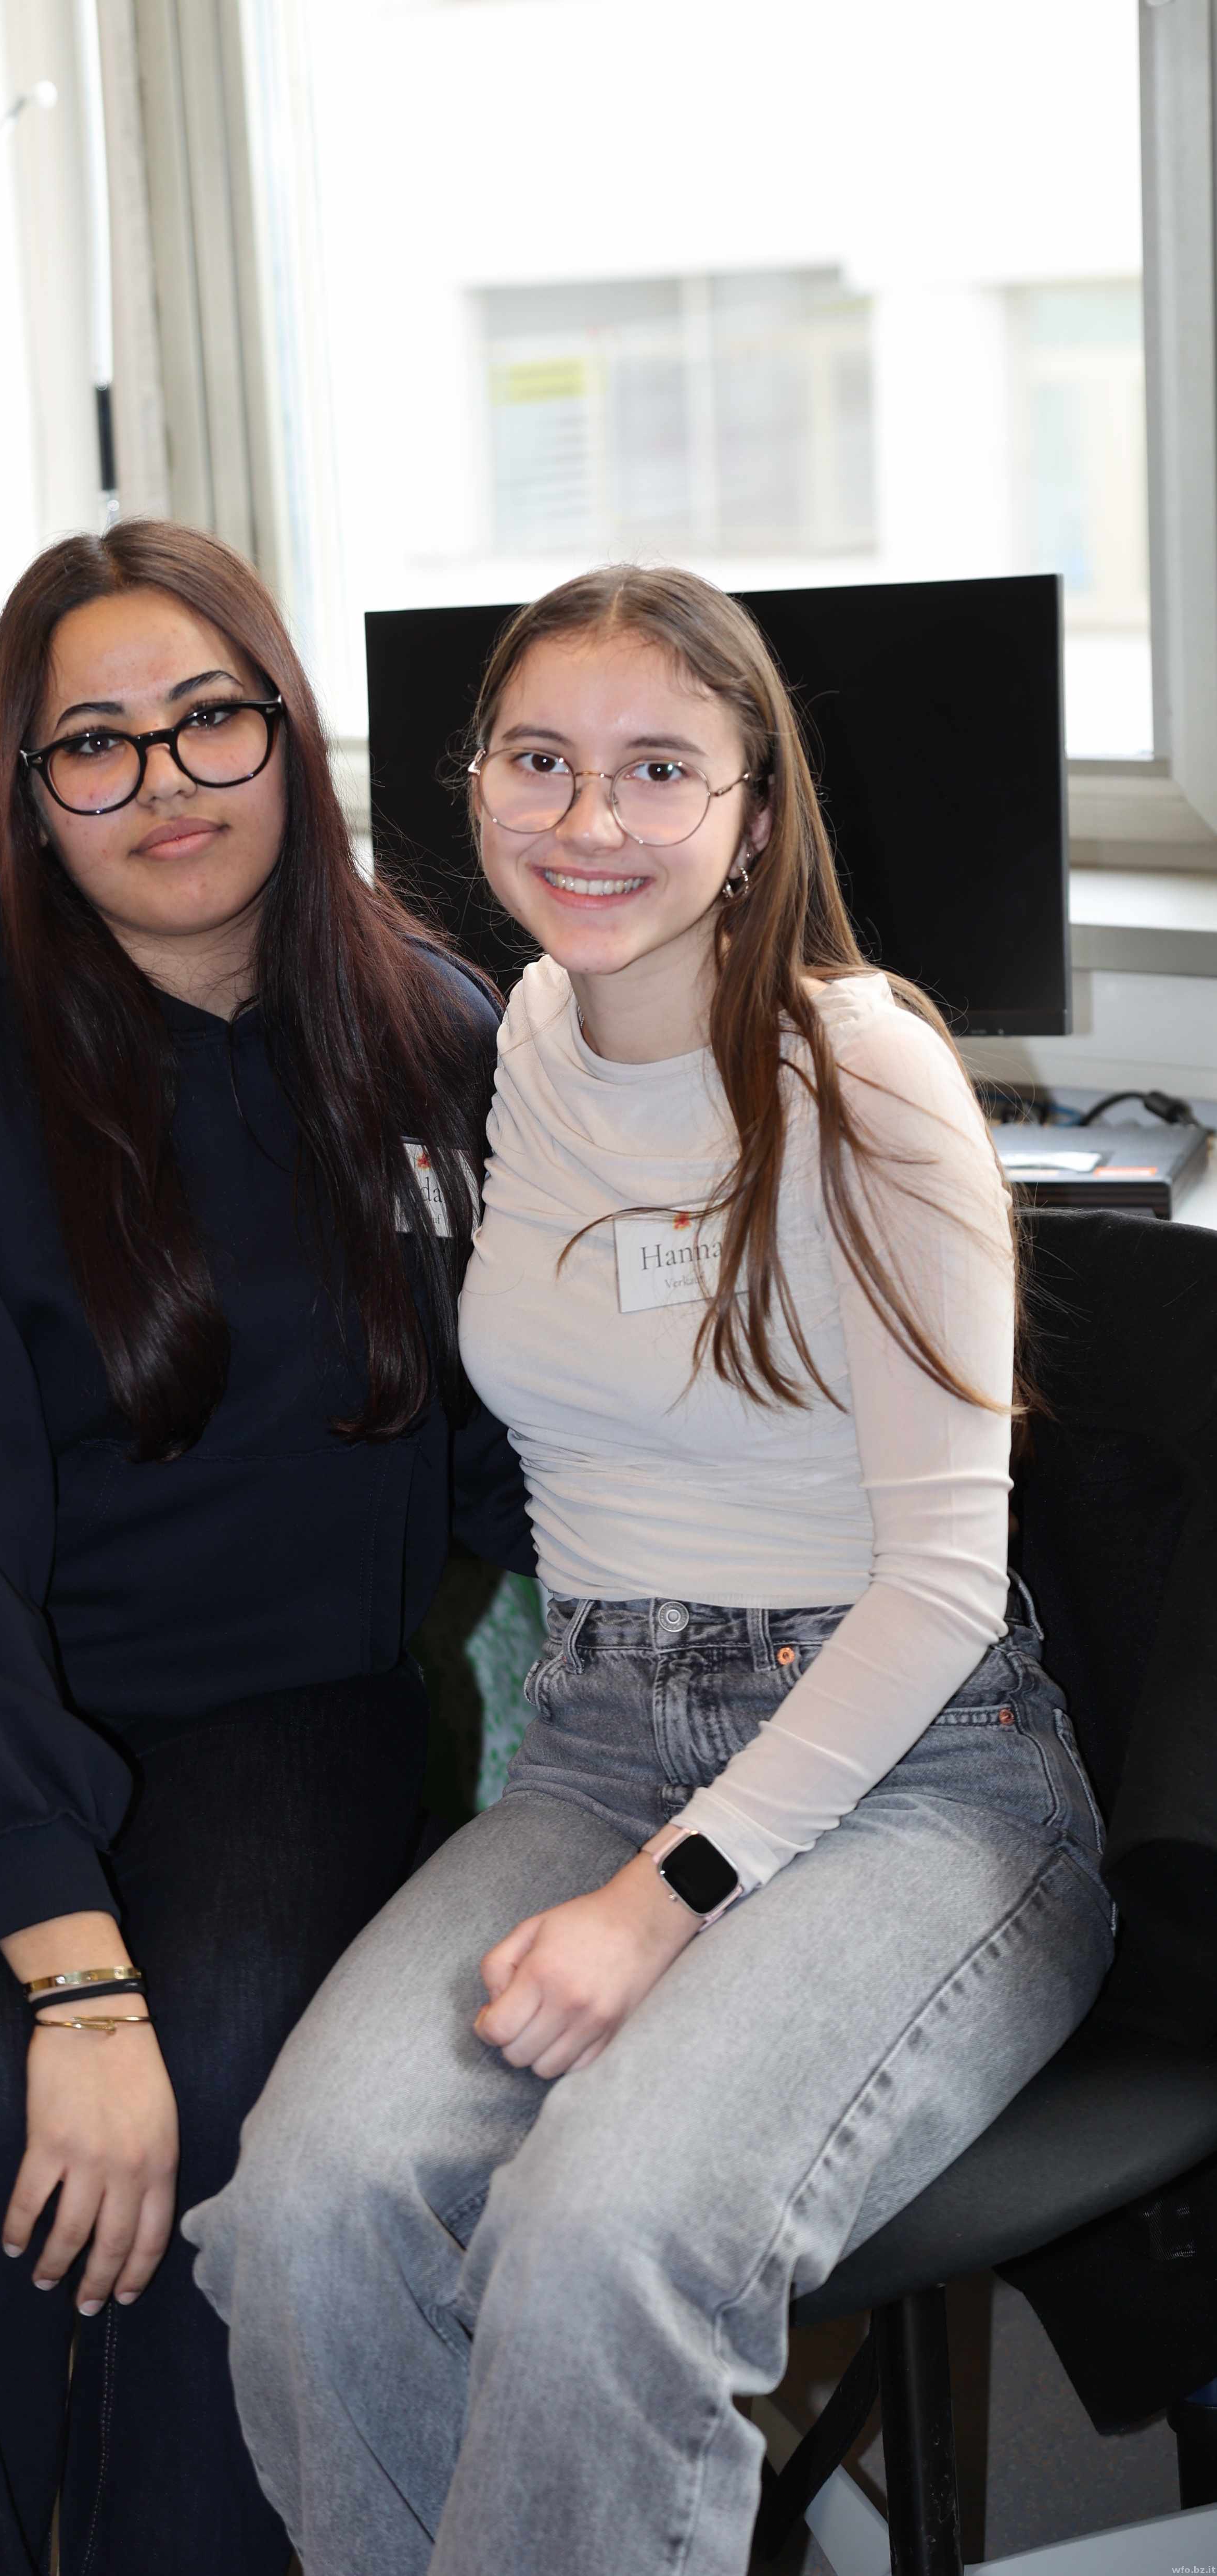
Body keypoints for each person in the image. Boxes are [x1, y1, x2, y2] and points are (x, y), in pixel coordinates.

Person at [185, 565, 1114, 2576]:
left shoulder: (862, 1069)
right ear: (475, 784)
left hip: (916, 1773)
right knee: (302, 2216)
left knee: (600, 2244)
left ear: (755, 815)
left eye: (658, 770)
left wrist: (666, 1898)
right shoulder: (524, 1033)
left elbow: (944, 1582)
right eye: (539, 762)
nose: (589, 820)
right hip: (601, 1740)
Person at [0, 519, 533, 2576]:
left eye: (208, 717)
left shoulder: (436, 1032)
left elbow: (511, 1438)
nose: (163, 782)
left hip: (269, 1709)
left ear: (288, 732)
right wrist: (71, 1984)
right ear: (32, 792)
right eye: (94, 743)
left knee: (224, 2107)